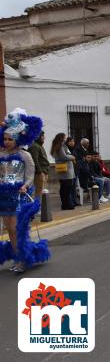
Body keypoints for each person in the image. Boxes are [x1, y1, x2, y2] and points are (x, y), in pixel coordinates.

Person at [0, 109, 50, 273]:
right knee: (9, 229)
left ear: (17, 139)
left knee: (17, 229)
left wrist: (25, 186)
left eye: (10, 139)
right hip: (3, 196)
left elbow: (30, 175)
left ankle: (22, 259)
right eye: (5, 139)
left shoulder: (25, 155)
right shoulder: (1, 155)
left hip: (18, 196)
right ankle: (17, 257)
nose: (6, 142)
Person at [50, 133, 76, 210]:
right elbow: (63, 157)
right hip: (66, 170)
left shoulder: (59, 145)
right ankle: (66, 204)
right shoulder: (61, 146)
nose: (66, 139)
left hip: (64, 169)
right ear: (61, 138)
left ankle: (66, 204)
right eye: (65, 137)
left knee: (64, 187)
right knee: (67, 188)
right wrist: (72, 157)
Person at [28, 131, 49, 199]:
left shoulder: (39, 146)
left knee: (42, 191)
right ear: (37, 137)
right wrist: (39, 172)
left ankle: (41, 207)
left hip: (44, 171)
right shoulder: (34, 146)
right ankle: (37, 207)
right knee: (39, 191)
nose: (44, 137)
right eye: (42, 136)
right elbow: (34, 160)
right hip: (39, 173)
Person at [66, 136, 80, 206]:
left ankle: (74, 201)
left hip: (75, 169)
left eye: (73, 141)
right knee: (70, 187)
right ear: (67, 142)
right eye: (70, 141)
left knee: (74, 187)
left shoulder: (75, 149)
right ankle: (70, 201)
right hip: (69, 170)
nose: (72, 142)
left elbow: (76, 159)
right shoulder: (66, 149)